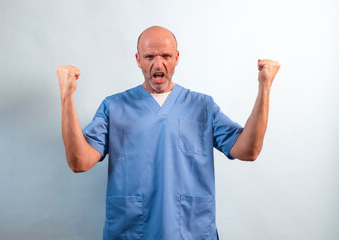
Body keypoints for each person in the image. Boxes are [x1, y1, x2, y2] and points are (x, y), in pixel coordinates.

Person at [56, 26, 280, 240]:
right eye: (149, 57)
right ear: (138, 60)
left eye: (165, 55)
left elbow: (248, 150)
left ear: (177, 58)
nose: (158, 63)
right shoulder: (114, 107)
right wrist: (67, 98)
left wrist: (265, 87)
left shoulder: (202, 106)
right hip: (132, 231)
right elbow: (79, 162)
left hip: (190, 230)